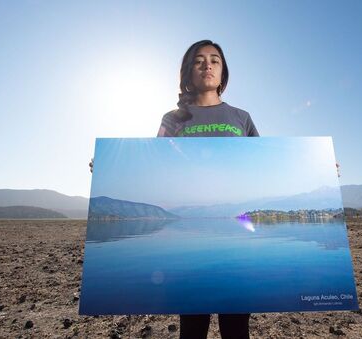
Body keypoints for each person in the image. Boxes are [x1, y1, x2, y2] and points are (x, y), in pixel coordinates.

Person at [157, 40, 257, 339]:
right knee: (192, 324)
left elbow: (265, 161)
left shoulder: (241, 118)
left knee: (237, 325)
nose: (207, 65)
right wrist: (110, 168)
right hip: (189, 247)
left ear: (223, 71)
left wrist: (322, 167)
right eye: (199, 60)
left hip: (239, 237)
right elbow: (155, 163)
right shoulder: (172, 120)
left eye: (214, 60)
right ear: (189, 71)